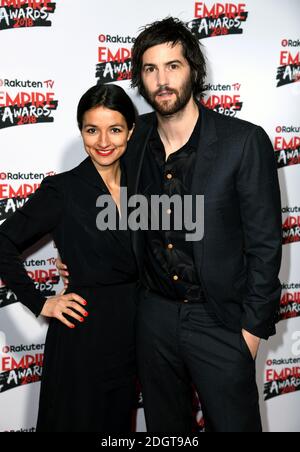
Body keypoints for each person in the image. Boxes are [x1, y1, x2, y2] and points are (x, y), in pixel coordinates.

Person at [58, 17, 282, 432]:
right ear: (140, 79)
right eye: (150, 69)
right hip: (153, 317)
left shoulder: (243, 142)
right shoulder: (134, 136)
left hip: (220, 322)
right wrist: (77, 252)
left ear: (193, 70)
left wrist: (250, 333)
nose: (162, 80)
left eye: (172, 66)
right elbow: (86, 191)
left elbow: (266, 246)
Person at [0, 84, 137, 432]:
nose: (103, 140)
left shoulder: (143, 188)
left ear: (131, 131)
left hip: (135, 338)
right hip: (83, 340)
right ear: (81, 132)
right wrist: (40, 301)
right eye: (92, 130)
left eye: (115, 129)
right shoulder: (63, 190)